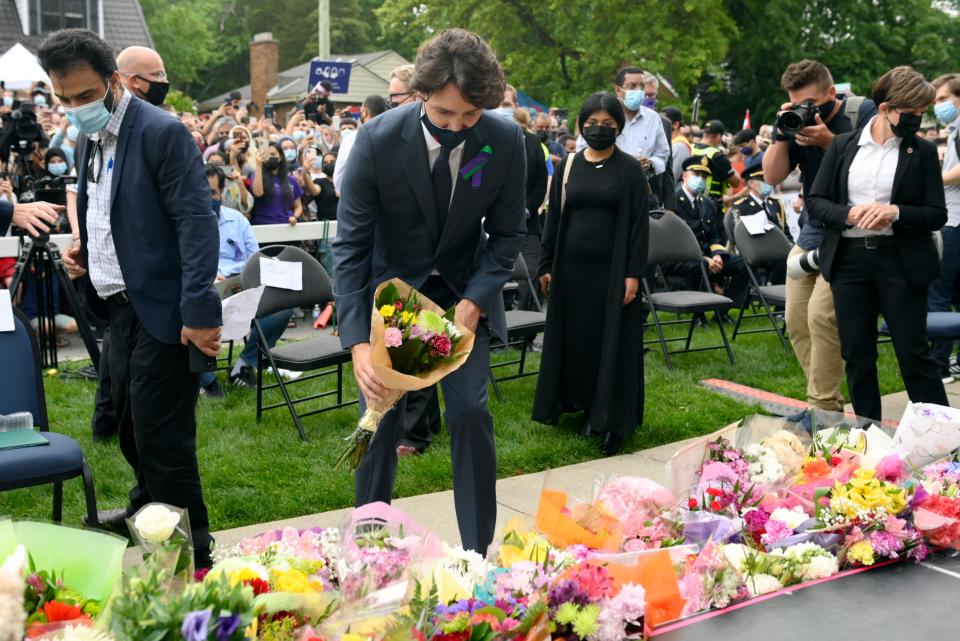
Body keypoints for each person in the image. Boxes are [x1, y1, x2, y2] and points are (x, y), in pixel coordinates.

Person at [332, 28, 526, 554]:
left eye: (470, 116)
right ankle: (368, 547)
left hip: (463, 294)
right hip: (393, 298)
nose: (459, 127)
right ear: (421, 94)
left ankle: (475, 554)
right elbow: (349, 246)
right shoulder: (376, 141)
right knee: (382, 415)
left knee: (469, 413)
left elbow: (509, 233)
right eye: (445, 115)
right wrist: (357, 345)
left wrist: (475, 299)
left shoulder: (505, 141)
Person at [41, 28, 222, 568]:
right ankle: (148, 507)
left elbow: (196, 224)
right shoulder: (86, 138)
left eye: (84, 96)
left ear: (114, 82)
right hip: (117, 305)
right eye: (63, 99)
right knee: (128, 424)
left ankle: (191, 554)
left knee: (163, 438)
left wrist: (199, 312)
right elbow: (108, 209)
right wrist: (87, 252)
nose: (74, 108)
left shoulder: (161, 133)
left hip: (164, 312)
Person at [807, 66, 949, 423]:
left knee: (913, 353)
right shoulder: (843, 146)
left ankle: (943, 439)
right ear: (885, 108)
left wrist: (896, 212)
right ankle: (867, 434)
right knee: (857, 354)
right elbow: (817, 201)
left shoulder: (923, 151)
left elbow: (936, 213)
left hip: (900, 261)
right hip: (850, 261)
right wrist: (850, 214)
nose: (919, 118)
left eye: (922, 112)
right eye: (912, 112)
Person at [533, 92, 648, 456]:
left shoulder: (629, 169)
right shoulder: (568, 164)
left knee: (610, 340)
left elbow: (637, 226)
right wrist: (546, 264)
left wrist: (633, 274)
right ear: (582, 125)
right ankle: (579, 405)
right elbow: (553, 219)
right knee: (577, 339)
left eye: (608, 125)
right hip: (571, 270)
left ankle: (611, 420)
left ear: (619, 127)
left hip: (613, 273)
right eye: (593, 124)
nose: (599, 130)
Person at [763, 59, 852, 416]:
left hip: (848, 228)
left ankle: (822, 409)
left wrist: (829, 140)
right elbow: (772, 174)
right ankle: (826, 403)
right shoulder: (794, 126)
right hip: (812, 229)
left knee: (822, 317)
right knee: (796, 320)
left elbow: (866, 163)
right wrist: (782, 131)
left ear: (832, 93)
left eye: (810, 103)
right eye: (796, 103)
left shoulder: (858, 119)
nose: (804, 110)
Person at [201, 165, 293, 396]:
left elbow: (255, 259)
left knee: (283, 307)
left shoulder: (237, 221)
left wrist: (241, 277)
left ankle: (245, 363)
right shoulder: (181, 220)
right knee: (189, 309)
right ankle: (206, 379)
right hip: (201, 292)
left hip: (239, 288)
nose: (206, 197)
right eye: (201, 190)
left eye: (212, 192)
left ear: (221, 192)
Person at [663, 157, 749, 312]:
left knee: (745, 263)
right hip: (679, 257)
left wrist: (718, 254)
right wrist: (703, 258)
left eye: (704, 176)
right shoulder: (672, 201)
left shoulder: (707, 203)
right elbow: (673, 240)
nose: (700, 179)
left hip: (708, 257)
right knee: (700, 266)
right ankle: (699, 315)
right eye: (696, 174)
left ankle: (724, 309)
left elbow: (714, 236)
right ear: (684, 175)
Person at [577, 67, 670, 189]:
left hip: (640, 187)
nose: (639, 91)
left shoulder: (653, 118)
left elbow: (662, 154)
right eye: (632, 86)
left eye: (642, 87)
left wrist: (650, 164)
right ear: (618, 90)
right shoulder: (604, 114)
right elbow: (581, 148)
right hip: (602, 184)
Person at [498, 84, 548, 311]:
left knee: (529, 274)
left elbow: (539, 183)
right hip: (490, 225)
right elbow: (471, 177)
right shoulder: (482, 140)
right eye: (497, 104)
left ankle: (525, 329)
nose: (502, 109)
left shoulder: (532, 142)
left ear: (516, 106)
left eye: (506, 104)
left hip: (527, 223)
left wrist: (526, 209)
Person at [929, 73, 960, 381]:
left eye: (942, 99)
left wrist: (933, 180)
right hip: (955, 220)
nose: (938, 105)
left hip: (954, 222)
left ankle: (938, 366)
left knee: (938, 293)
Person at [727, 164, 793, 284]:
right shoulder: (741, 206)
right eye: (763, 180)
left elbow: (786, 232)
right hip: (758, 254)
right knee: (782, 259)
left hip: (778, 254)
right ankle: (776, 297)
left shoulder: (776, 204)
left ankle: (781, 298)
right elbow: (740, 240)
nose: (767, 183)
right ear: (751, 184)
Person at [333, 95, 388, 194]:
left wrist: (339, 190)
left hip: (358, 196)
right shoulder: (392, 136)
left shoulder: (353, 138)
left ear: (365, 112)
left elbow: (340, 172)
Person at [251, 142, 303, 225]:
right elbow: (258, 193)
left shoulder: (291, 180)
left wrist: (295, 216)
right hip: (262, 225)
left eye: (273, 154)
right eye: (266, 155)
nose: (270, 157)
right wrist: (258, 165)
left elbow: (298, 206)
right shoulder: (257, 175)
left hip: (286, 225)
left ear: (280, 157)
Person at [692, 120, 741, 207]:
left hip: (690, 199)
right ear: (719, 136)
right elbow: (736, 182)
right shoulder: (718, 156)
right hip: (710, 204)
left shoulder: (690, 148)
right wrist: (728, 162)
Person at [663, 106, 691, 184]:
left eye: (664, 122)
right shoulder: (671, 141)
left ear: (675, 124)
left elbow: (672, 176)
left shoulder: (680, 146)